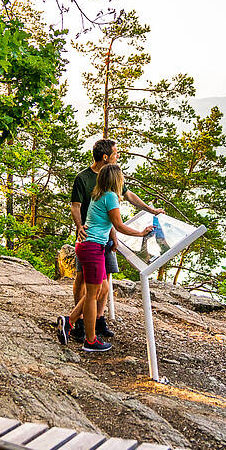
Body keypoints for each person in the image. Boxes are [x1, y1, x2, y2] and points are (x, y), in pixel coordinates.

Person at [64, 138, 164, 341]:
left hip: (102, 240)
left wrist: (150, 210)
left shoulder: (105, 183)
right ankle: (81, 325)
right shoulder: (86, 179)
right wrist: (79, 226)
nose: (118, 157)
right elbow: (77, 206)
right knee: (86, 283)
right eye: (116, 154)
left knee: (103, 285)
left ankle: (92, 319)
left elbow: (127, 198)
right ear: (105, 157)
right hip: (90, 239)